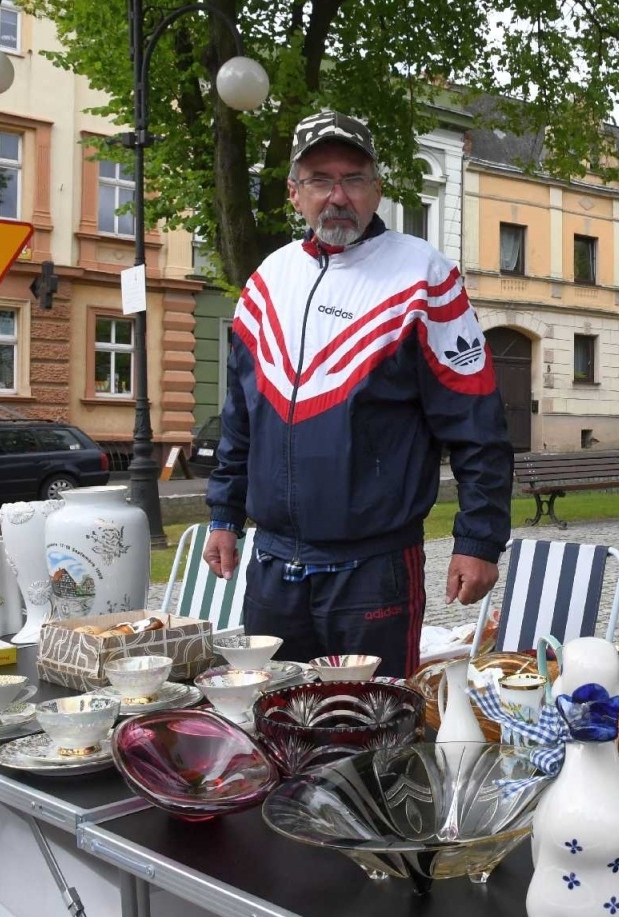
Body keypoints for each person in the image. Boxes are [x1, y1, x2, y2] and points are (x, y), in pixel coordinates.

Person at [205, 110, 514, 677]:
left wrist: (480, 538)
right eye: (320, 180)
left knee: (373, 737)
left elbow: (476, 421)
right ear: (294, 193)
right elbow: (238, 418)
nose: (337, 196)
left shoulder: (424, 275)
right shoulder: (266, 281)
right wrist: (224, 514)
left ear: (377, 189)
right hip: (273, 568)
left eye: (354, 179)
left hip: (373, 570)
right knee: (274, 726)